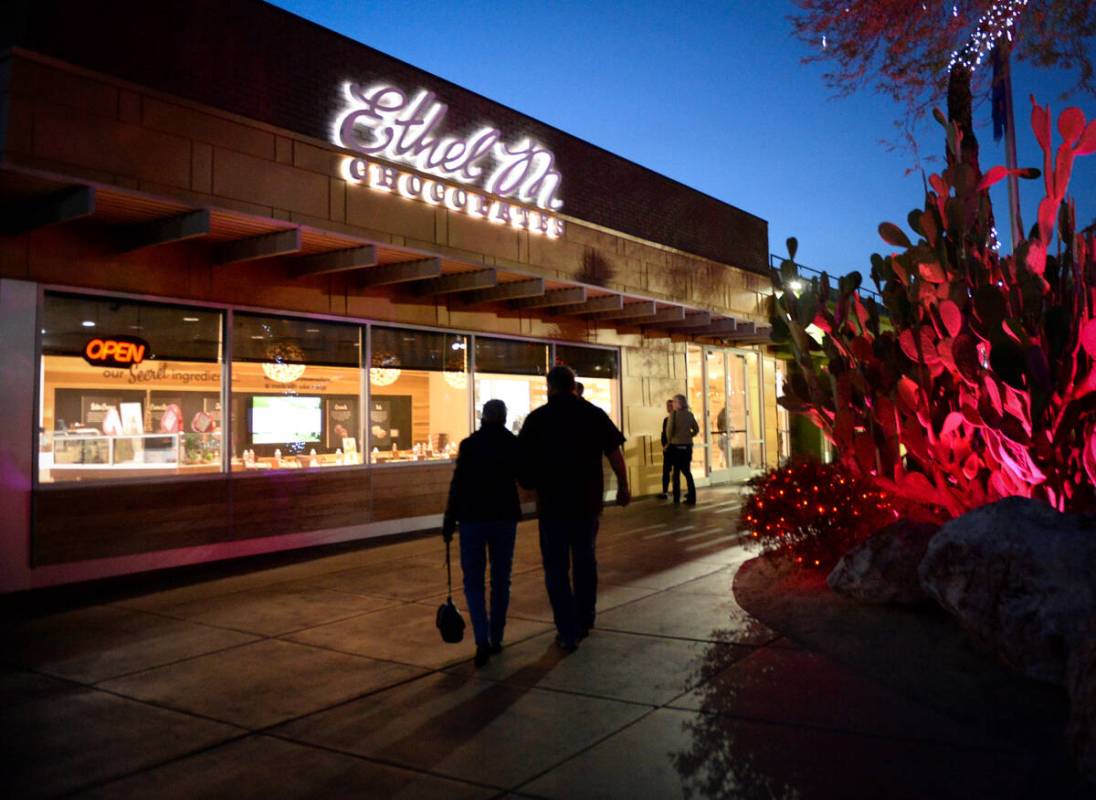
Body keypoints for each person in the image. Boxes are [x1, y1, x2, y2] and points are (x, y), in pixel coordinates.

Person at [518, 365, 629, 651]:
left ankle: (567, 630)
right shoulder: (592, 414)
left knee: (555, 569)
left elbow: (522, 464)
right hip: (586, 503)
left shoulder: (538, 419)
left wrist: (528, 485)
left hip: (553, 505)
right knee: (584, 561)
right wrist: (623, 485)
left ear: (549, 387)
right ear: (573, 385)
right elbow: (615, 453)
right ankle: (585, 617)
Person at [442, 399, 521, 667]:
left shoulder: (470, 445)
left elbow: (458, 484)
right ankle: (497, 636)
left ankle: (481, 639)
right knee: (501, 580)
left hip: (472, 519)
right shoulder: (512, 444)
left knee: (473, 582)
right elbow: (525, 477)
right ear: (505, 418)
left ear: (482, 418)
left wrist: (449, 519)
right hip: (504, 518)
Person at [667, 393, 699, 505]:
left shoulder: (673, 415)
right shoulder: (690, 414)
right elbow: (696, 429)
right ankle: (692, 495)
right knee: (687, 471)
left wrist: (668, 442)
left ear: (679, 403)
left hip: (676, 446)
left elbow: (669, 431)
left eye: (674, 401)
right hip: (688, 446)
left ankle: (676, 497)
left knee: (676, 472)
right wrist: (689, 435)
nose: (673, 404)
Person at [658, 398, 674, 499]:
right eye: (667, 406)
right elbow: (663, 434)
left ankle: (675, 491)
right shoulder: (666, 420)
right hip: (667, 450)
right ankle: (665, 491)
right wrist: (664, 445)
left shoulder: (677, 420)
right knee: (666, 471)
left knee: (677, 471)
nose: (668, 408)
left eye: (670, 406)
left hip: (674, 449)